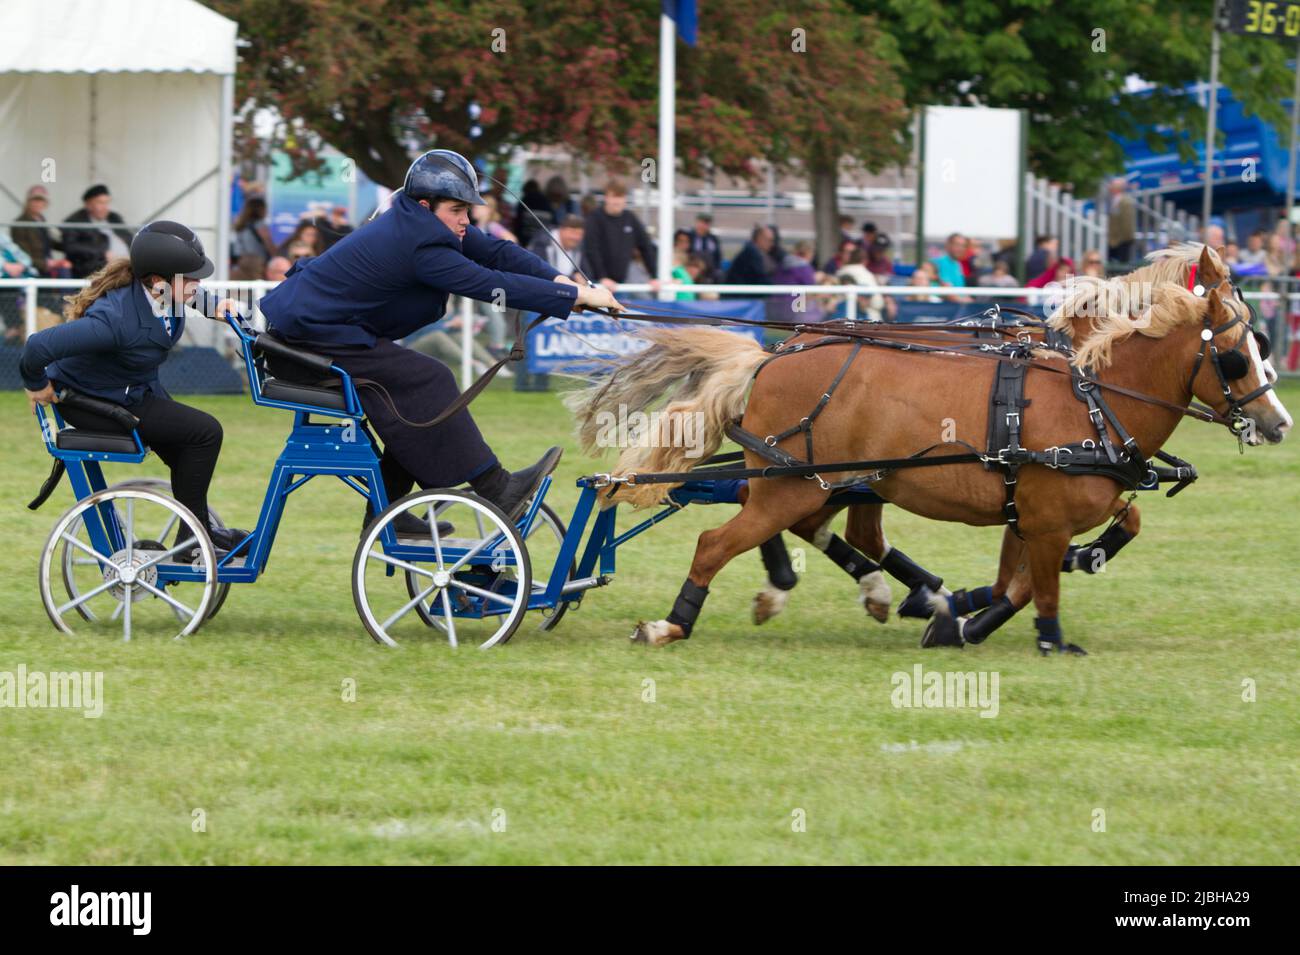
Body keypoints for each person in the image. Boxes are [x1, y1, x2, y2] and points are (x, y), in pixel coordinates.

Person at [256, 148, 624, 529]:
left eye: (468, 210)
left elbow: (498, 252)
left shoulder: (421, 221)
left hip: (320, 334)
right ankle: (495, 488)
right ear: (425, 204)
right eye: (457, 210)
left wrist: (563, 283)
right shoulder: (423, 243)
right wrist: (576, 297)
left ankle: (386, 515)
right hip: (302, 344)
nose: (466, 220)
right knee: (430, 379)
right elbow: (491, 283)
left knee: (417, 392)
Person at [19, 222, 247, 555]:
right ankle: (195, 538)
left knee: (191, 447)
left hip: (130, 390)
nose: (198, 284)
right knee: (205, 432)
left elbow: (192, 295)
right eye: (192, 277)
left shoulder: (162, 291)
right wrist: (37, 385)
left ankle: (193, 536)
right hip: (91, 401)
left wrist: (216, 306)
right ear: (158, 281)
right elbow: (37, 347)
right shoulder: (112, 322)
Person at [581, 180, 657, 290]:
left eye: (620, 197)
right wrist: (602, 277)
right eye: (613, 197)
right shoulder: (594, 218)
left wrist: (654, 276)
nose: (617, 201)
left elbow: (646, 246)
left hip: (622, 283)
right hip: (597, 282)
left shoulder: (630, 218)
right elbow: (591, 250)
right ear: (606, 198)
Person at [62, 184, 134, 278]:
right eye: (100, 202)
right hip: (96, 270)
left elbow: (129, 237)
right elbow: (71, 247)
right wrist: (102, 253)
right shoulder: (75, 221)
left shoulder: (114, 218)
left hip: (126, 266)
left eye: (107, 203)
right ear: (88, 205)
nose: (105, 207)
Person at [12, 185, 72, 278]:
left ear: (45, 203)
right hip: (33, 269)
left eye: (40, 200)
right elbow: (22, 254)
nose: (37, 203)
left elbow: (50, 242)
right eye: (34, 200)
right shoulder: (20, 224)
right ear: (28, 202)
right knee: (64, 272)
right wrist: (48, 264)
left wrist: (71, 243)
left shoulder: (41, 220)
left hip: (45, 265)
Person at [230, 196, 275, 280]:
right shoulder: (260, 224)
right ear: (261, 209)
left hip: (242, 259)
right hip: (257, 261)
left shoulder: (241, 225)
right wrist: (275, 255)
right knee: (258, 286)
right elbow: (268, 242)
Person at [527, 214, 586, 279]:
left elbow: (585, 271)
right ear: (561, 230)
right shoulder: (543, 244)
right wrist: (572, 278)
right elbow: (538, 272)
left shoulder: (578, 246)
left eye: (580, 234)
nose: (576, 237)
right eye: (573, 232)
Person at [1106, 177, 1137, 262]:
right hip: (1114, 240)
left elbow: (1127, 223)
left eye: (1112, 185)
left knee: (1122, 265)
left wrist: (1126, 239)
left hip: (1121, 241)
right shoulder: (1114, 200)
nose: (1109, 186)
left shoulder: (1125, 202)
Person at [688, 213, 722, 281]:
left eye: (706, 223)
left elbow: (718, 256)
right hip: (693, 269)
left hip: (709, 272)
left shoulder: (713, 239)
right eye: (701, 222)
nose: (703, 226)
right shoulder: (690, 237)